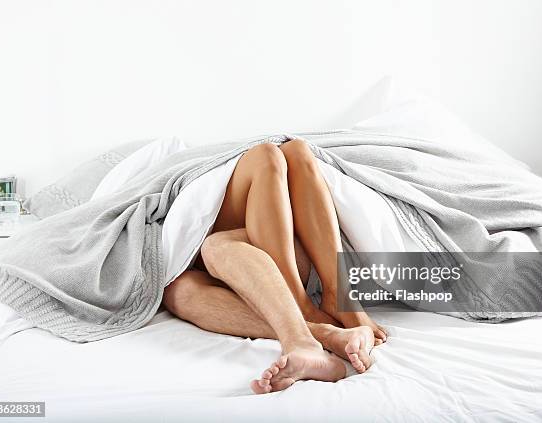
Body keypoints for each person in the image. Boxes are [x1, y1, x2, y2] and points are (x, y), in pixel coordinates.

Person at [162, 139, 387, 394]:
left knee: (284, 151)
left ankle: (324, 301)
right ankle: (320, 334)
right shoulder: (155, 158)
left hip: (280, 245)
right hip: (216, 258)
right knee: (178, 287)